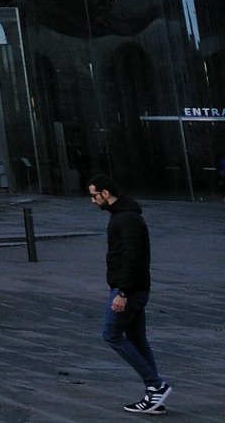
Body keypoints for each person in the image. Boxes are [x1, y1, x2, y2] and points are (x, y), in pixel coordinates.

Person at [88, 176, 171, 414]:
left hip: (129, 290)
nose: (92, 200)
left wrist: (122, 292)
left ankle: (156, 385)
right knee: (136, 339)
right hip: (135, 288)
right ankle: (154, 394)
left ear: (105, 193)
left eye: (94, 195)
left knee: (111, 334)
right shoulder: (124, 215)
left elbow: (133, 257)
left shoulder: (125, 219)